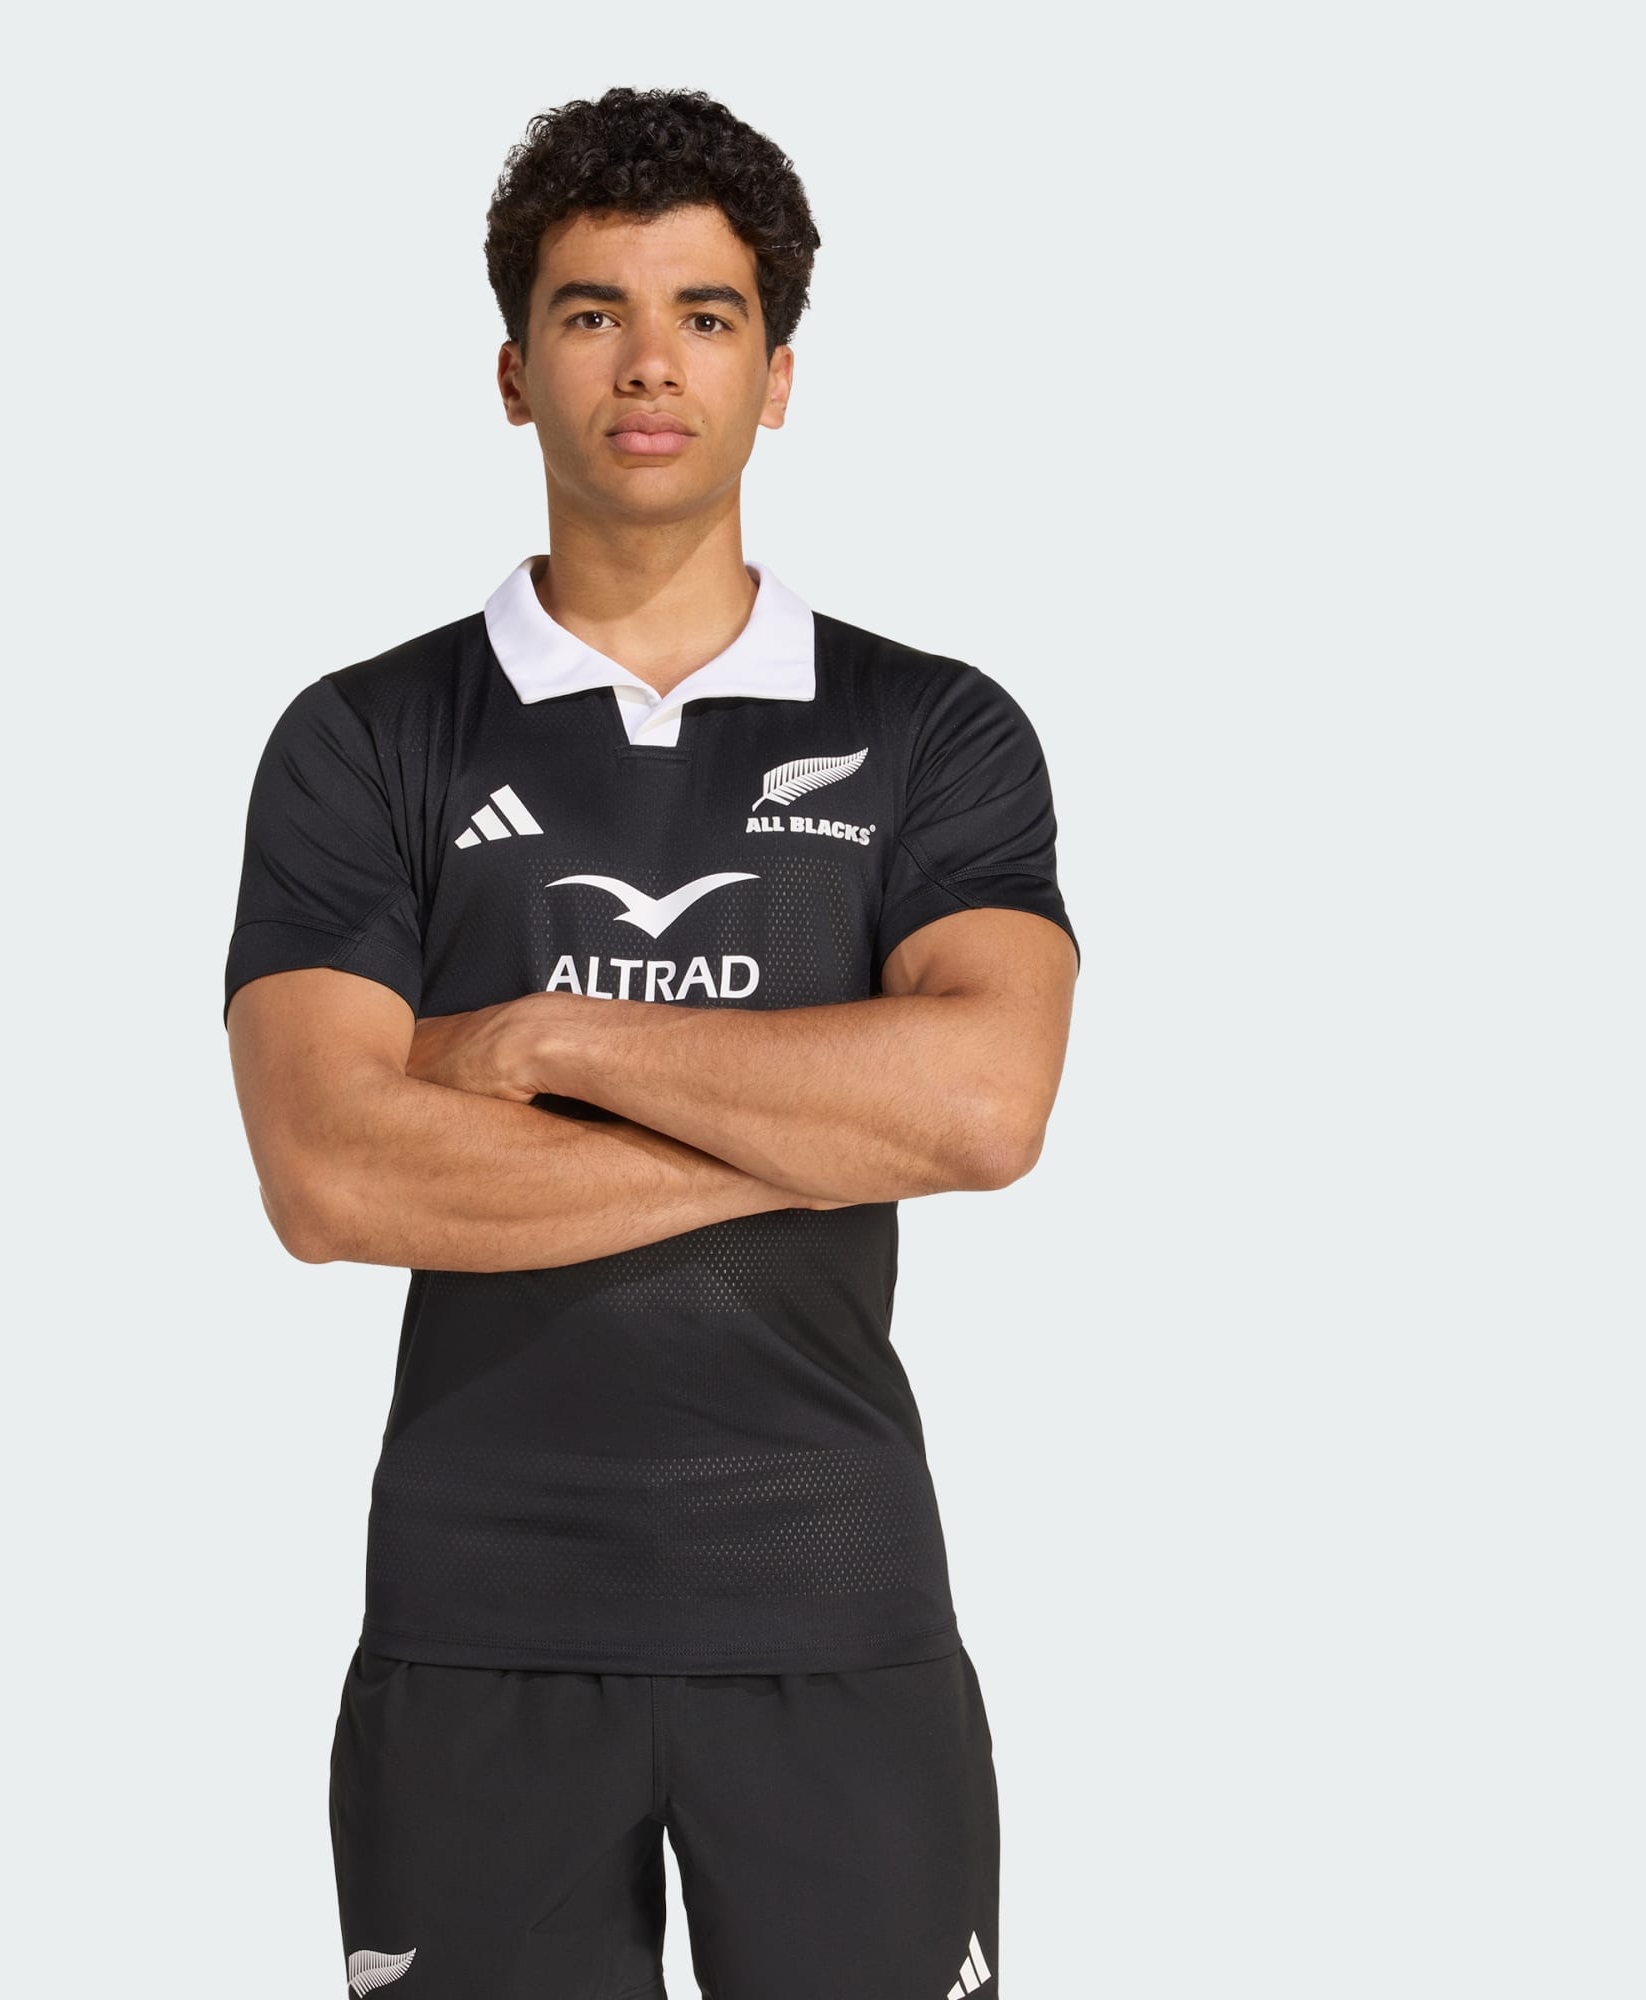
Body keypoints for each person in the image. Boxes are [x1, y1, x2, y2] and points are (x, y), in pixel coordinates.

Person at [224, 85, 1078, 2000]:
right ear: (512, 371)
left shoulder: (932, 730)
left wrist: (548, 1038)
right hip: (477, 1624)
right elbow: (332, 1173)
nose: (649, 363)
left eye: (706, 313)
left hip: (836, 1606)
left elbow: (981, 1103)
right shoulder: (366, 739)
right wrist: (815, 1123)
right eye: (592, 311)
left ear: (777, 377)